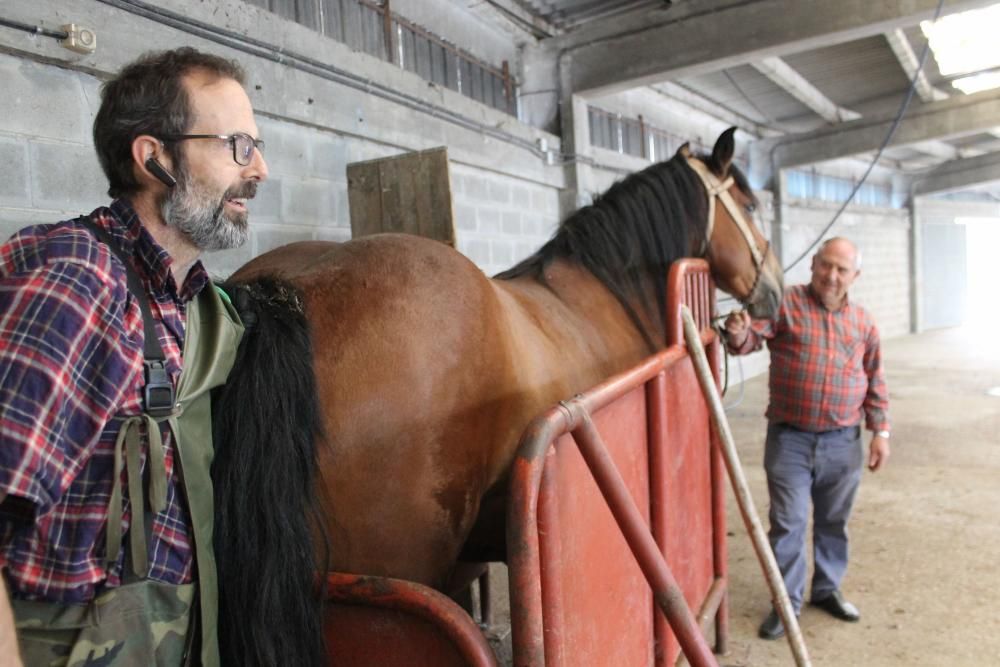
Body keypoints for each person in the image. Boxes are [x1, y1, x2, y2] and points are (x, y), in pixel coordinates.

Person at [0, 47, 268, 666]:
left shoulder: (186, 297)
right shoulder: (78, 278)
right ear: (155, 159)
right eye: (237, 146)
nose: (260, 169)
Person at [724, 236, 890, 641]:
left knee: (834, 522)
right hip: (790, 441)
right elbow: (749, 341)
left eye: (842, 270)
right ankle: (787, 603)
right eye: (825, 265)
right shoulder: (785, 304)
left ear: (855, 276)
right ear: (813, 263)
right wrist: (738, 332)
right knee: (788, 523)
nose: (831, 276)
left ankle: (826, 590)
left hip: (843, 442)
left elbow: (875, 379)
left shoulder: (864, 322)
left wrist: (880, 431)